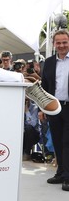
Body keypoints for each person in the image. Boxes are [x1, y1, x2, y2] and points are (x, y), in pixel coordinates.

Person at [41, 30, 69, 190]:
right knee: (57, 140)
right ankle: (60, 172)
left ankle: (67, 176)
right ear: (54, 44)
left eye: (64, 42)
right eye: (58, 43)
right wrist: (42, 108)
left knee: (67, 142)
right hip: (54, 108)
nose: (62, 45)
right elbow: (45, 86)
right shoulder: (49, 62)